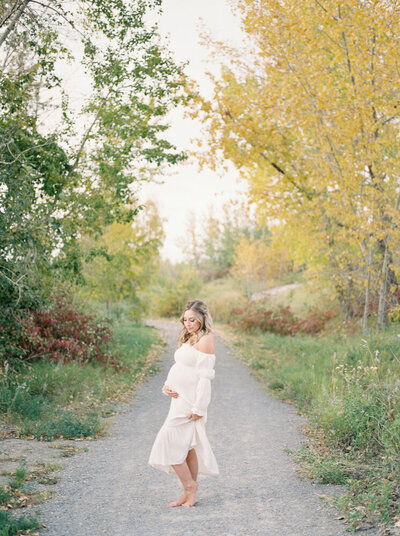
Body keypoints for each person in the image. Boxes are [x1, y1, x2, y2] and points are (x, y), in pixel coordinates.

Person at [148, 299, 219, 507]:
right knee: (187, 446)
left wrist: (199, 407)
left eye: (193, 320)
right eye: (185, 320)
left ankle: (189, 486)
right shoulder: (188, 337)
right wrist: (167, 386)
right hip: (178, 400)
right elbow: (181, 367)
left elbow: (204, 378)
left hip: (190, 402)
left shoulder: (206, 339)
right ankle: (188, 492)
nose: (188, 324)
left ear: (202, 319)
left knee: (168, 442)